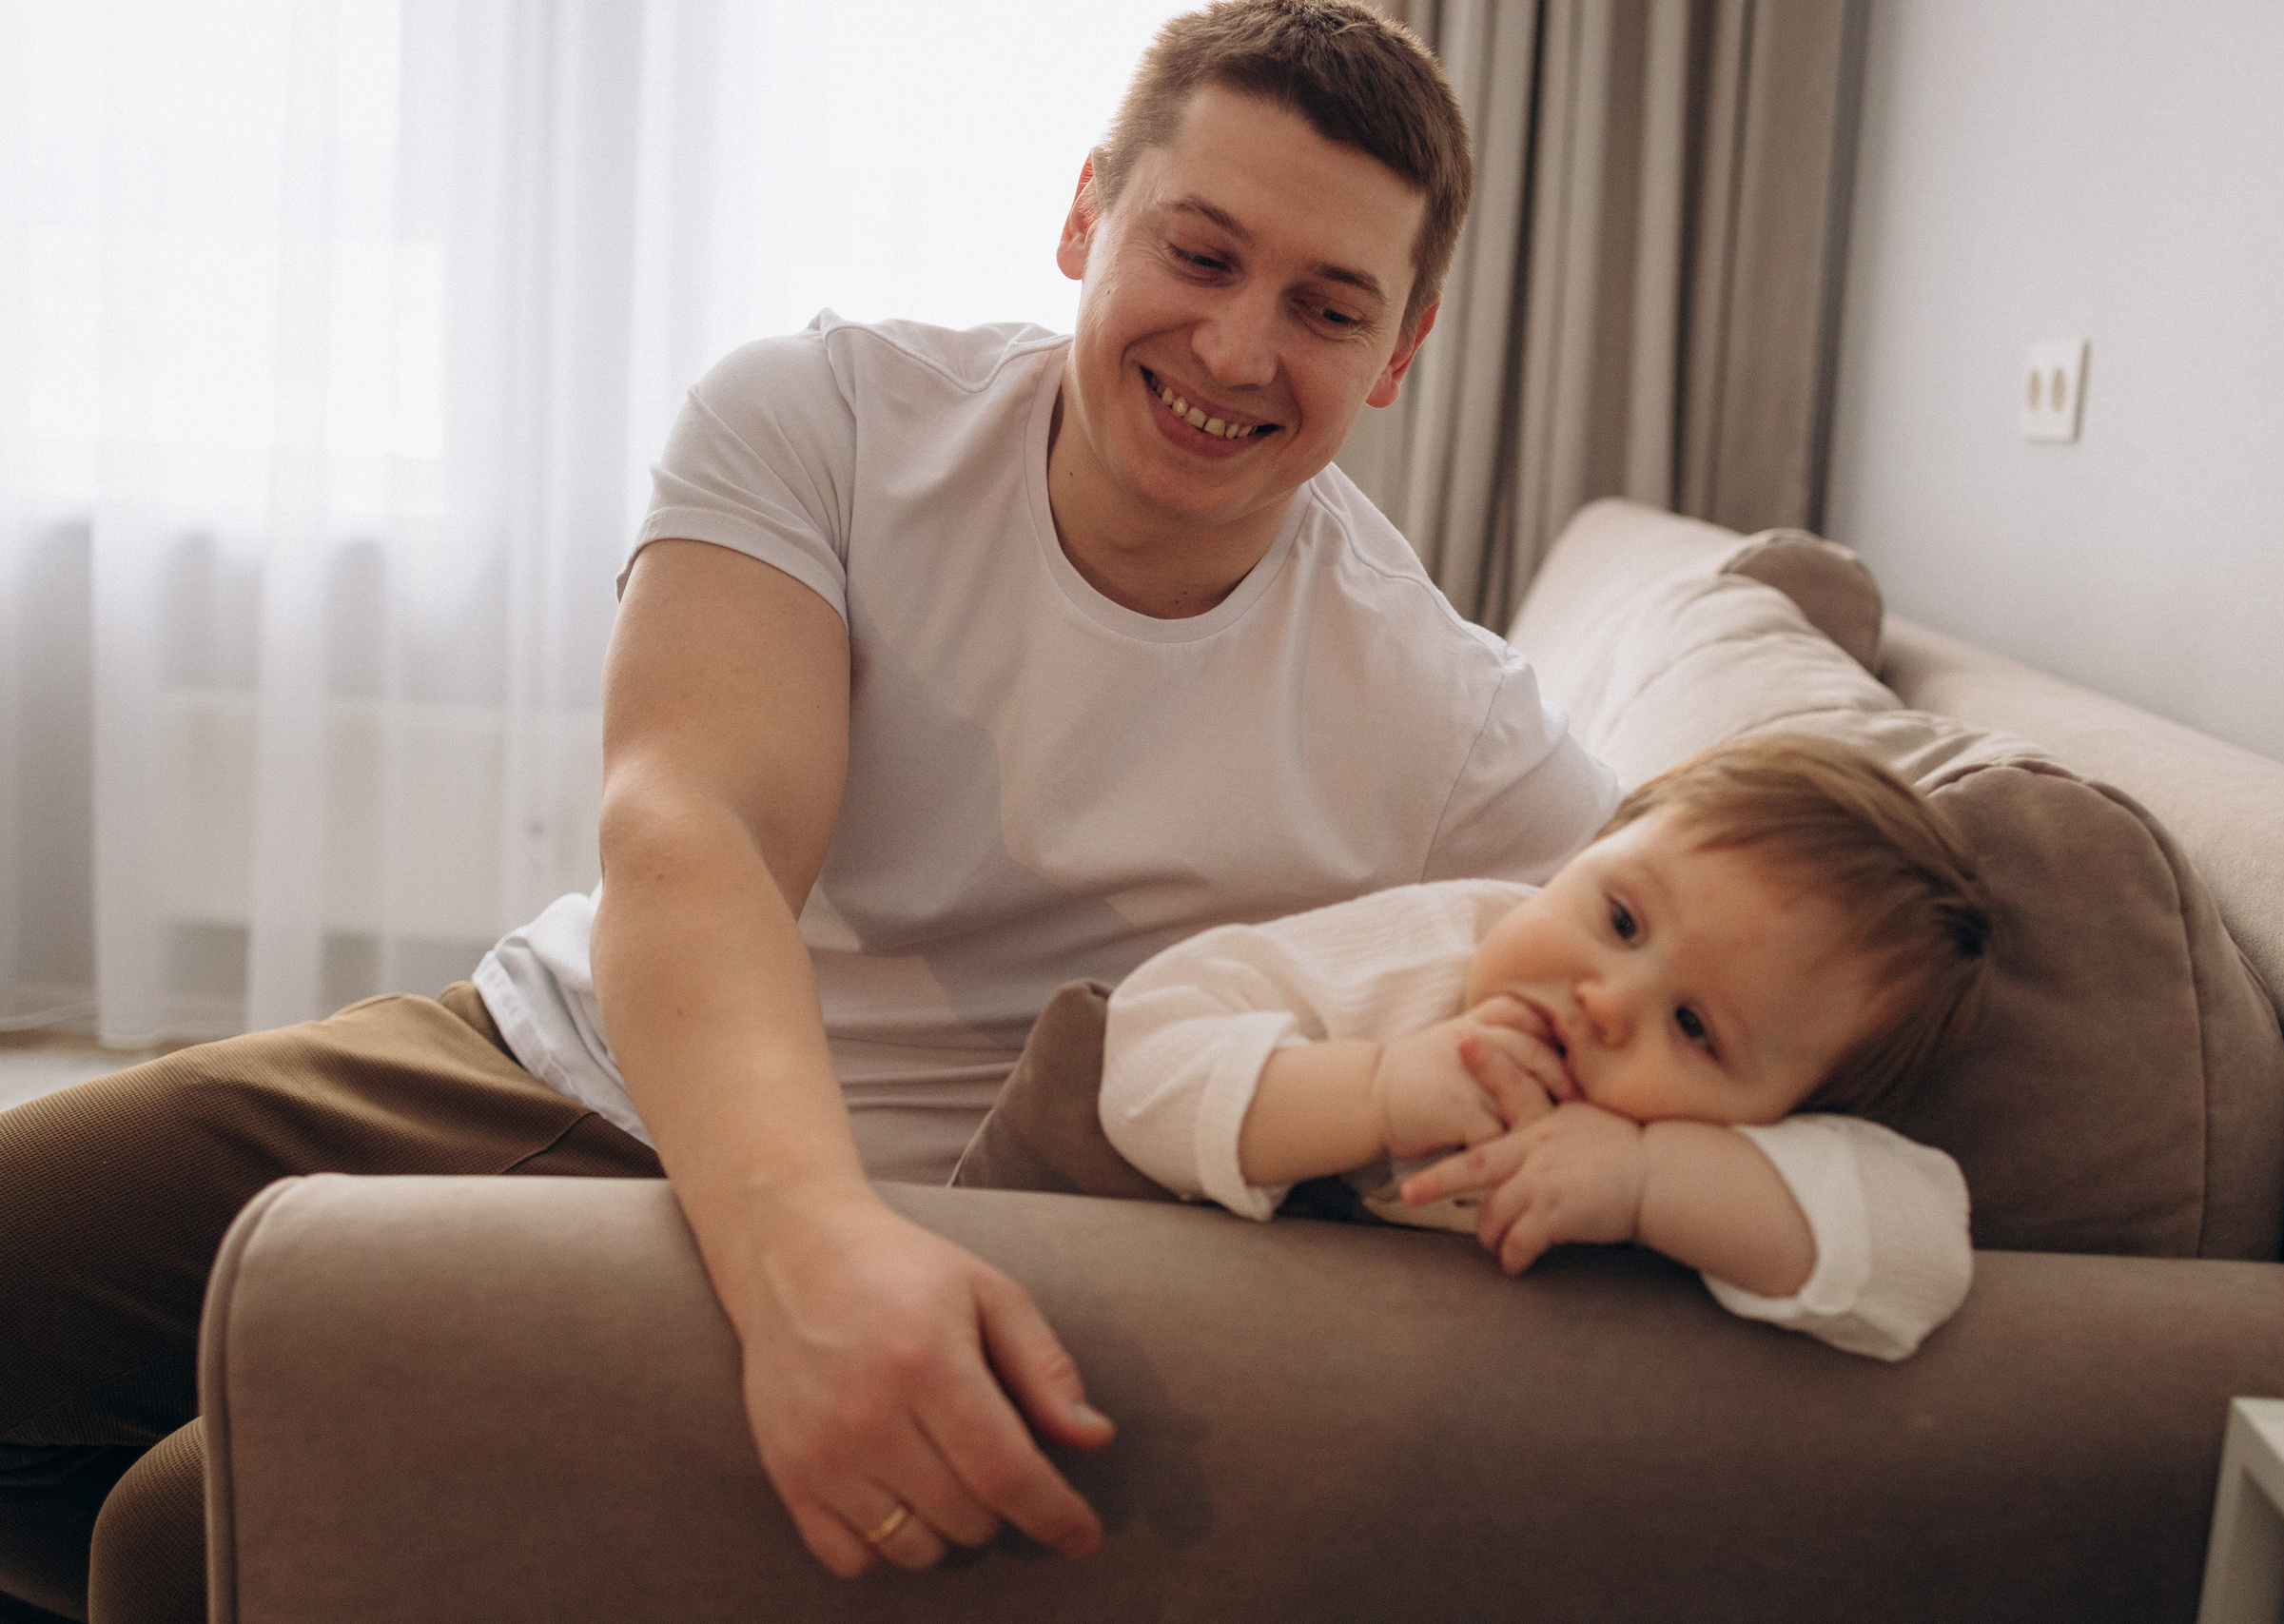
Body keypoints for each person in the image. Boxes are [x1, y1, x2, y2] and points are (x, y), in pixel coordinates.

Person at [0, 5, 1621, 1618]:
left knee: (192, 1513)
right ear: (1084, 218)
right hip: (565, 1059)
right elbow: (694, 823)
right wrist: (804, 1254)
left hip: (908, 1216)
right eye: (1198, 256)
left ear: (1400, 354)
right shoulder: (828, 415)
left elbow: (1727, 929)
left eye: (1328, 310)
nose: (1238, 350)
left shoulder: (1449, 719)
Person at [1101, 734, 1996, 1360]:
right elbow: (1144, 1053)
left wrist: (1648, 1180)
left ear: (1793, 1109)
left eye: (1694, 1027)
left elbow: (1921, 1259)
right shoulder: (1434, 953)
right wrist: (1375, 1086)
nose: (1605, 1001)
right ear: (1587, 851)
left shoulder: (1750, 1157)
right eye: (1618, 918)